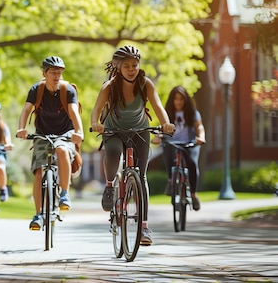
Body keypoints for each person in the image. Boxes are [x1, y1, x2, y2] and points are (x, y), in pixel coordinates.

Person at [90, 45, 175, 246]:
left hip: (140, 131)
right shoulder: (110, 86)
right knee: (114, 151)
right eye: (127, 65)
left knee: (142, 175)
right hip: (114, 130)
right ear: (118, 67)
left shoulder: (146, 84)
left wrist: (166, 123)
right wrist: (96, 123)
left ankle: (144, 227)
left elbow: (158, 106)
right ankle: (110, 187)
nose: (131, 69)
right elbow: (97, 109)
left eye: (135, 65)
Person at [16, 56, 84, 231]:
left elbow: (74, 112)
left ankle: (64, 195)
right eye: (53, 72)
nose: (57, 76)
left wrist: (79, 131)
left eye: (59, 72)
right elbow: (26, 110)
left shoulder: (68, 90)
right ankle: (38, 215)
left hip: (65, 133)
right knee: (39, 170)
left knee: (61, 150)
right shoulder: (36, 90)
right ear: (44, 73)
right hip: (42, 133)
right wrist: (21, 128)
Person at [152, 86, 206, 211]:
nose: (178, 101)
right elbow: (163, 128)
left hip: (188, 143)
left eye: (181, 99)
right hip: (171, 143)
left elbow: (200, 127)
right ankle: (172, 181)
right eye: (176, 99)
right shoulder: (167, 113)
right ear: (172, 100)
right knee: (169, 160)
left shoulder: (192, 112)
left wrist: (201, 137)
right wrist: (159, 137)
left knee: (192, 164)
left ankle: (193, 195)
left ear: (185, 100)